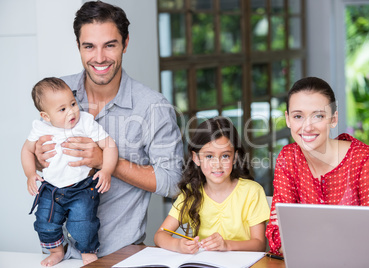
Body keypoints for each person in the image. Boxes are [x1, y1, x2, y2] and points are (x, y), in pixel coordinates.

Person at [33, 1, 183, 259]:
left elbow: (175, 182)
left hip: (120, 256)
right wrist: (37, 157)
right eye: (89, 46)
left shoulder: (152, 107)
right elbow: (40, 161)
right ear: (78, 46)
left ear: (125, 44)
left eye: (110, 45)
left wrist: (106, 161)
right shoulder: (56, 93)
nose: (99, 57)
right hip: (58, 255)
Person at [266, 76, 369, 255]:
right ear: (288, 119)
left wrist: (300, 231)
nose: (307, 126)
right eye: (298, 116)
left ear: (333, 119)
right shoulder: (288, 158)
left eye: (318, 115)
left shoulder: (364, 160)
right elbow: (277, 240)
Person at [21, 77, 118, 266]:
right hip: (51, 189)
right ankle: (57, 251)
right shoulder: (40, 128)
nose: (72, 111)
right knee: (44, 222)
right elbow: (26, 150)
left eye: (73, 103)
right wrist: (30, 174)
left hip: (81, 188)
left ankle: (88, 252)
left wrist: (106, 169)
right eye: (62, 109)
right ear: (46, 116)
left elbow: (110, 146)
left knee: (83, 223)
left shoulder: (85, 123)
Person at [154, 117, 270, 253]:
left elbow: (259, 244)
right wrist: (178, 245)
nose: (217, 164)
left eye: (225, 156)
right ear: (196, 158)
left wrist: (226, 245)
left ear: (235, 157)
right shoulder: (191, 193)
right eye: (209, 156)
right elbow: (159, 235)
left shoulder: (252, 191)